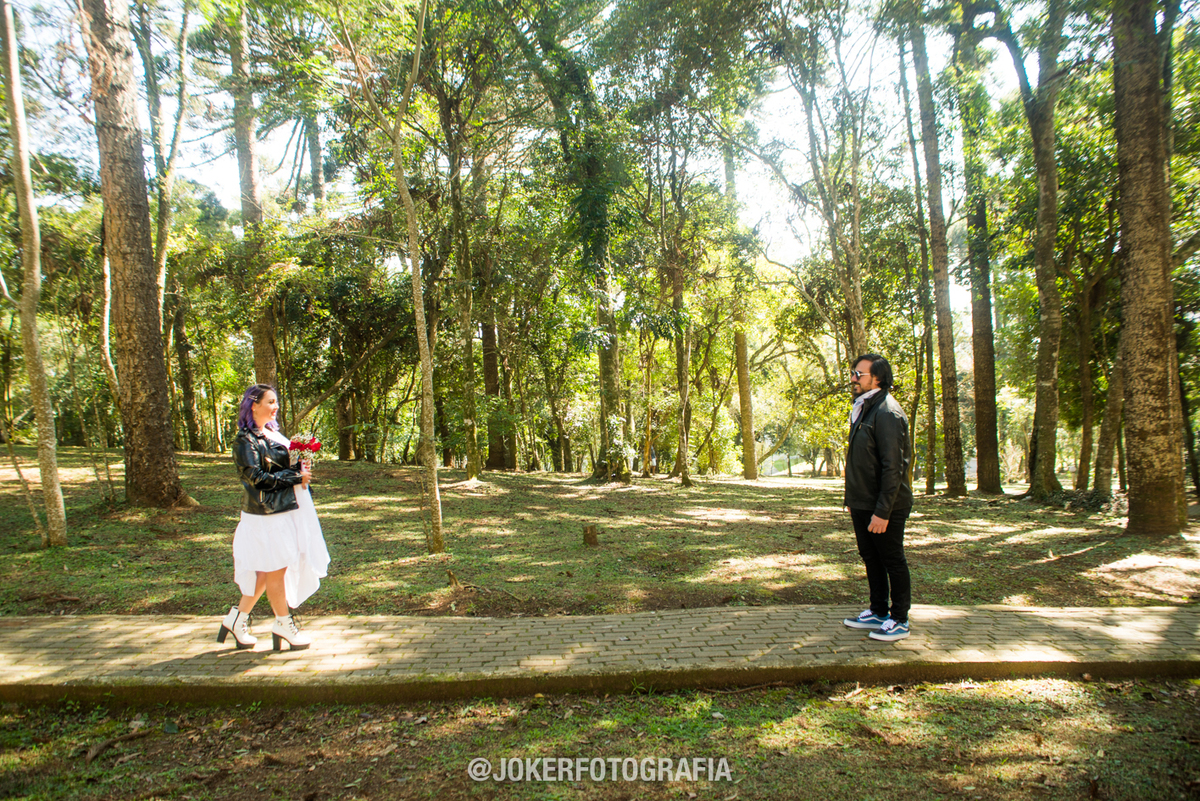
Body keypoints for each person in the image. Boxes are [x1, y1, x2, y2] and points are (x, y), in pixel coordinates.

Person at [217, 384, 330, 651]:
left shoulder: (273, 434)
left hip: (284, 509)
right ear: (253, 405)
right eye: (270, 401)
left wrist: (302, 463)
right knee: (275, 570)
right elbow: (255, 478)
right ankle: (283, 623)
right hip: (265, 515)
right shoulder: (245, 440)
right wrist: (294, 477)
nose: (275, 406)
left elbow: (282, 466)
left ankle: (237, 618)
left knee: (266, 574)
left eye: (276, 401)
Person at [841, 354, 914, 642]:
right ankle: (879, 611)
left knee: (892, 558)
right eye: (853, 373)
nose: (853, 379)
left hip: (887, 505)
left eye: (859, 374)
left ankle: (899, 620)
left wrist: (882, 511)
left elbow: (893, 467)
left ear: (878, 379)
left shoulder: (886, 412)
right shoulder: (865, 408)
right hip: (862, 502)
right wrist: (854, 501)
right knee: (871, 557)